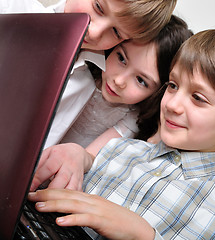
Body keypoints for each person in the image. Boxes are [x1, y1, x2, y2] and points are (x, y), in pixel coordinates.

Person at [28, 28, 215, 239]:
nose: (172, 104)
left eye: (198, 98)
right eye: (173, 85)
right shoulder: (120, 149)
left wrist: (145, 235)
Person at [30, 15, 193, 191]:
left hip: (59, 174)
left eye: (141, 80)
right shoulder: (81, 67)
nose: (119, 81)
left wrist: (77, 156)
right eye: (121, 58)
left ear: (157, 93)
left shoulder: (131, 117)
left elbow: (90, 156)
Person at [0, 0, 177, 150]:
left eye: (116, 32)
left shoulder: (83, 86)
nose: (94, 31)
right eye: (99, 7)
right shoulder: (9, 9)